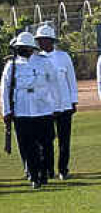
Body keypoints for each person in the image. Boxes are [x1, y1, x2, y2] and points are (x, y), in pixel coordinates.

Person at [1, 32, 64, 189]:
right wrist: (6, 111)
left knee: (46, 144)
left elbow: (55, 83)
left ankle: (45, 171)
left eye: (25, 47)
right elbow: (5, 89)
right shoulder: (11, 65)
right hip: (22, 110)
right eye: (19, 48)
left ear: (31, 48)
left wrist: (57, 106)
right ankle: (34, 176)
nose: (22, 50)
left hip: (42, 108)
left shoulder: (44, 62)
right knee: (28, 145)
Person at [35, 24, 77, 179]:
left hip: (64, 104)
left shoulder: (63, 57)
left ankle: (63, 169)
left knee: (64, 141)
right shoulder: (37, 59)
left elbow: (71, 80)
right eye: (39, 40)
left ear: (51, 41)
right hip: (46, 107)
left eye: (44, 40)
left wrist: (74, 101)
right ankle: (48, 169)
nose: (41, 43)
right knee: (47, 140)